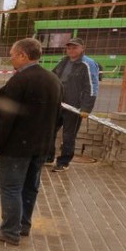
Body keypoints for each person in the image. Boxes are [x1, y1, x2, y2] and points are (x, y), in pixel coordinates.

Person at [0, 38, 63, 246]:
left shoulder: (19, 81)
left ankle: (10, 232)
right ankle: (23, 225)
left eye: (12, 54)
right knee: (30, 187)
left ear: (23, 56)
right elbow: (59, 117)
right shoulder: (53, 79)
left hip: (17, 148)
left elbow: (5, 119)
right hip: (41, 147)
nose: (10, 58)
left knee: (10, 187)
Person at [49, 37, 100, 172]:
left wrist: (86, 108)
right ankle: (47, 157)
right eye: (69, 48)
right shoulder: (63, 62)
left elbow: (92, 86)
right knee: (49, 130)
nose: (71, 50)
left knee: (68, 135)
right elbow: (53, 77)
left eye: (74, 47)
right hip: (58, 103)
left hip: (74, 107)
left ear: (82, 48)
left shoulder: (87, 64)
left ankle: (64, 162)